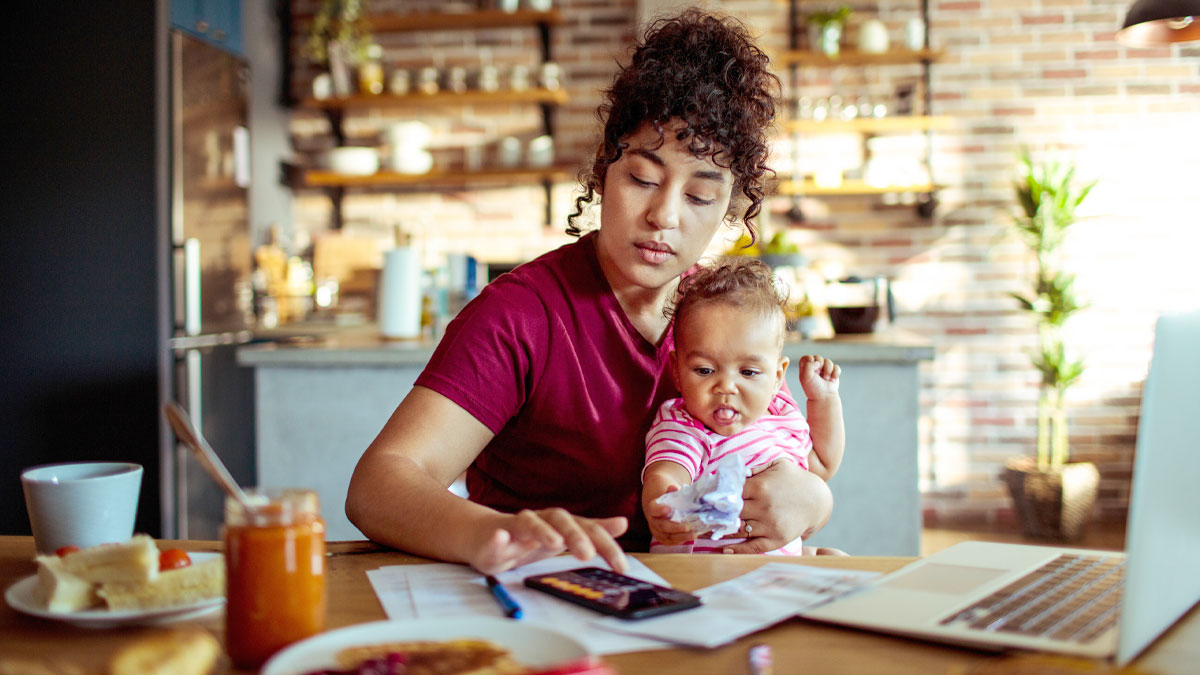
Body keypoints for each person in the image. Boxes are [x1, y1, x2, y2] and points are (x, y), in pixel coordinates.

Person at [345, 8, 835, 576]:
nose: (664, 216)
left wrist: (814, 502)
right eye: (643, 179)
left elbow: (781, 456)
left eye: (700, 197)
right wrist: (493, 533)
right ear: (605, 170)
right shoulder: (521, 315)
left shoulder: (724, 315)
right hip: (545, 592)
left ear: (730, 207)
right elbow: (379, 484)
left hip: (699, 599)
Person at [641, 257, 845, 555]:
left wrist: (823, 400)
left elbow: (822, 466)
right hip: (708, 573)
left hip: (774, 572)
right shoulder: (685, 425)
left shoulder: (780, 416)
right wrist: (662, 502)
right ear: (677, 371)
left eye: (748, 372)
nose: (726, 387)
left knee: (835, 559)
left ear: (777, 376)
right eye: (705, 370)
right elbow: (667, 472)